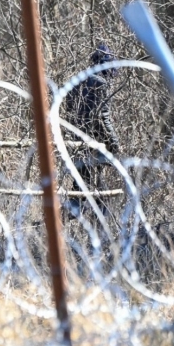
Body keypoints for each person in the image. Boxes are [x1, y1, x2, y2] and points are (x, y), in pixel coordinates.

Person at [63, 44, 121, 218]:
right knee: (95, 187)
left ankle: (68, 218)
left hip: (77, 139)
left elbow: (70, 111)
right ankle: (95, 225)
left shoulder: (77, 80)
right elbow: (103, 116)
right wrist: (113, 142)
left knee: (82, 183)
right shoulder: (101, 83)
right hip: (95, 141)